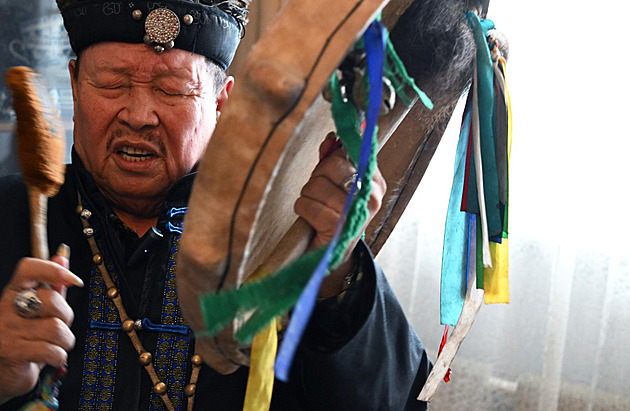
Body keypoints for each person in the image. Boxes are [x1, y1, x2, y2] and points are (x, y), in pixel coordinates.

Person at [0, 0, 432, 410]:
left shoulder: (277, 238)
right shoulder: (13, 214)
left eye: (172, 90)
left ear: (221, 103)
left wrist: (334, 270)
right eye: (113, 84)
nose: (138, 114)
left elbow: (395, 400)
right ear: (75, 85)